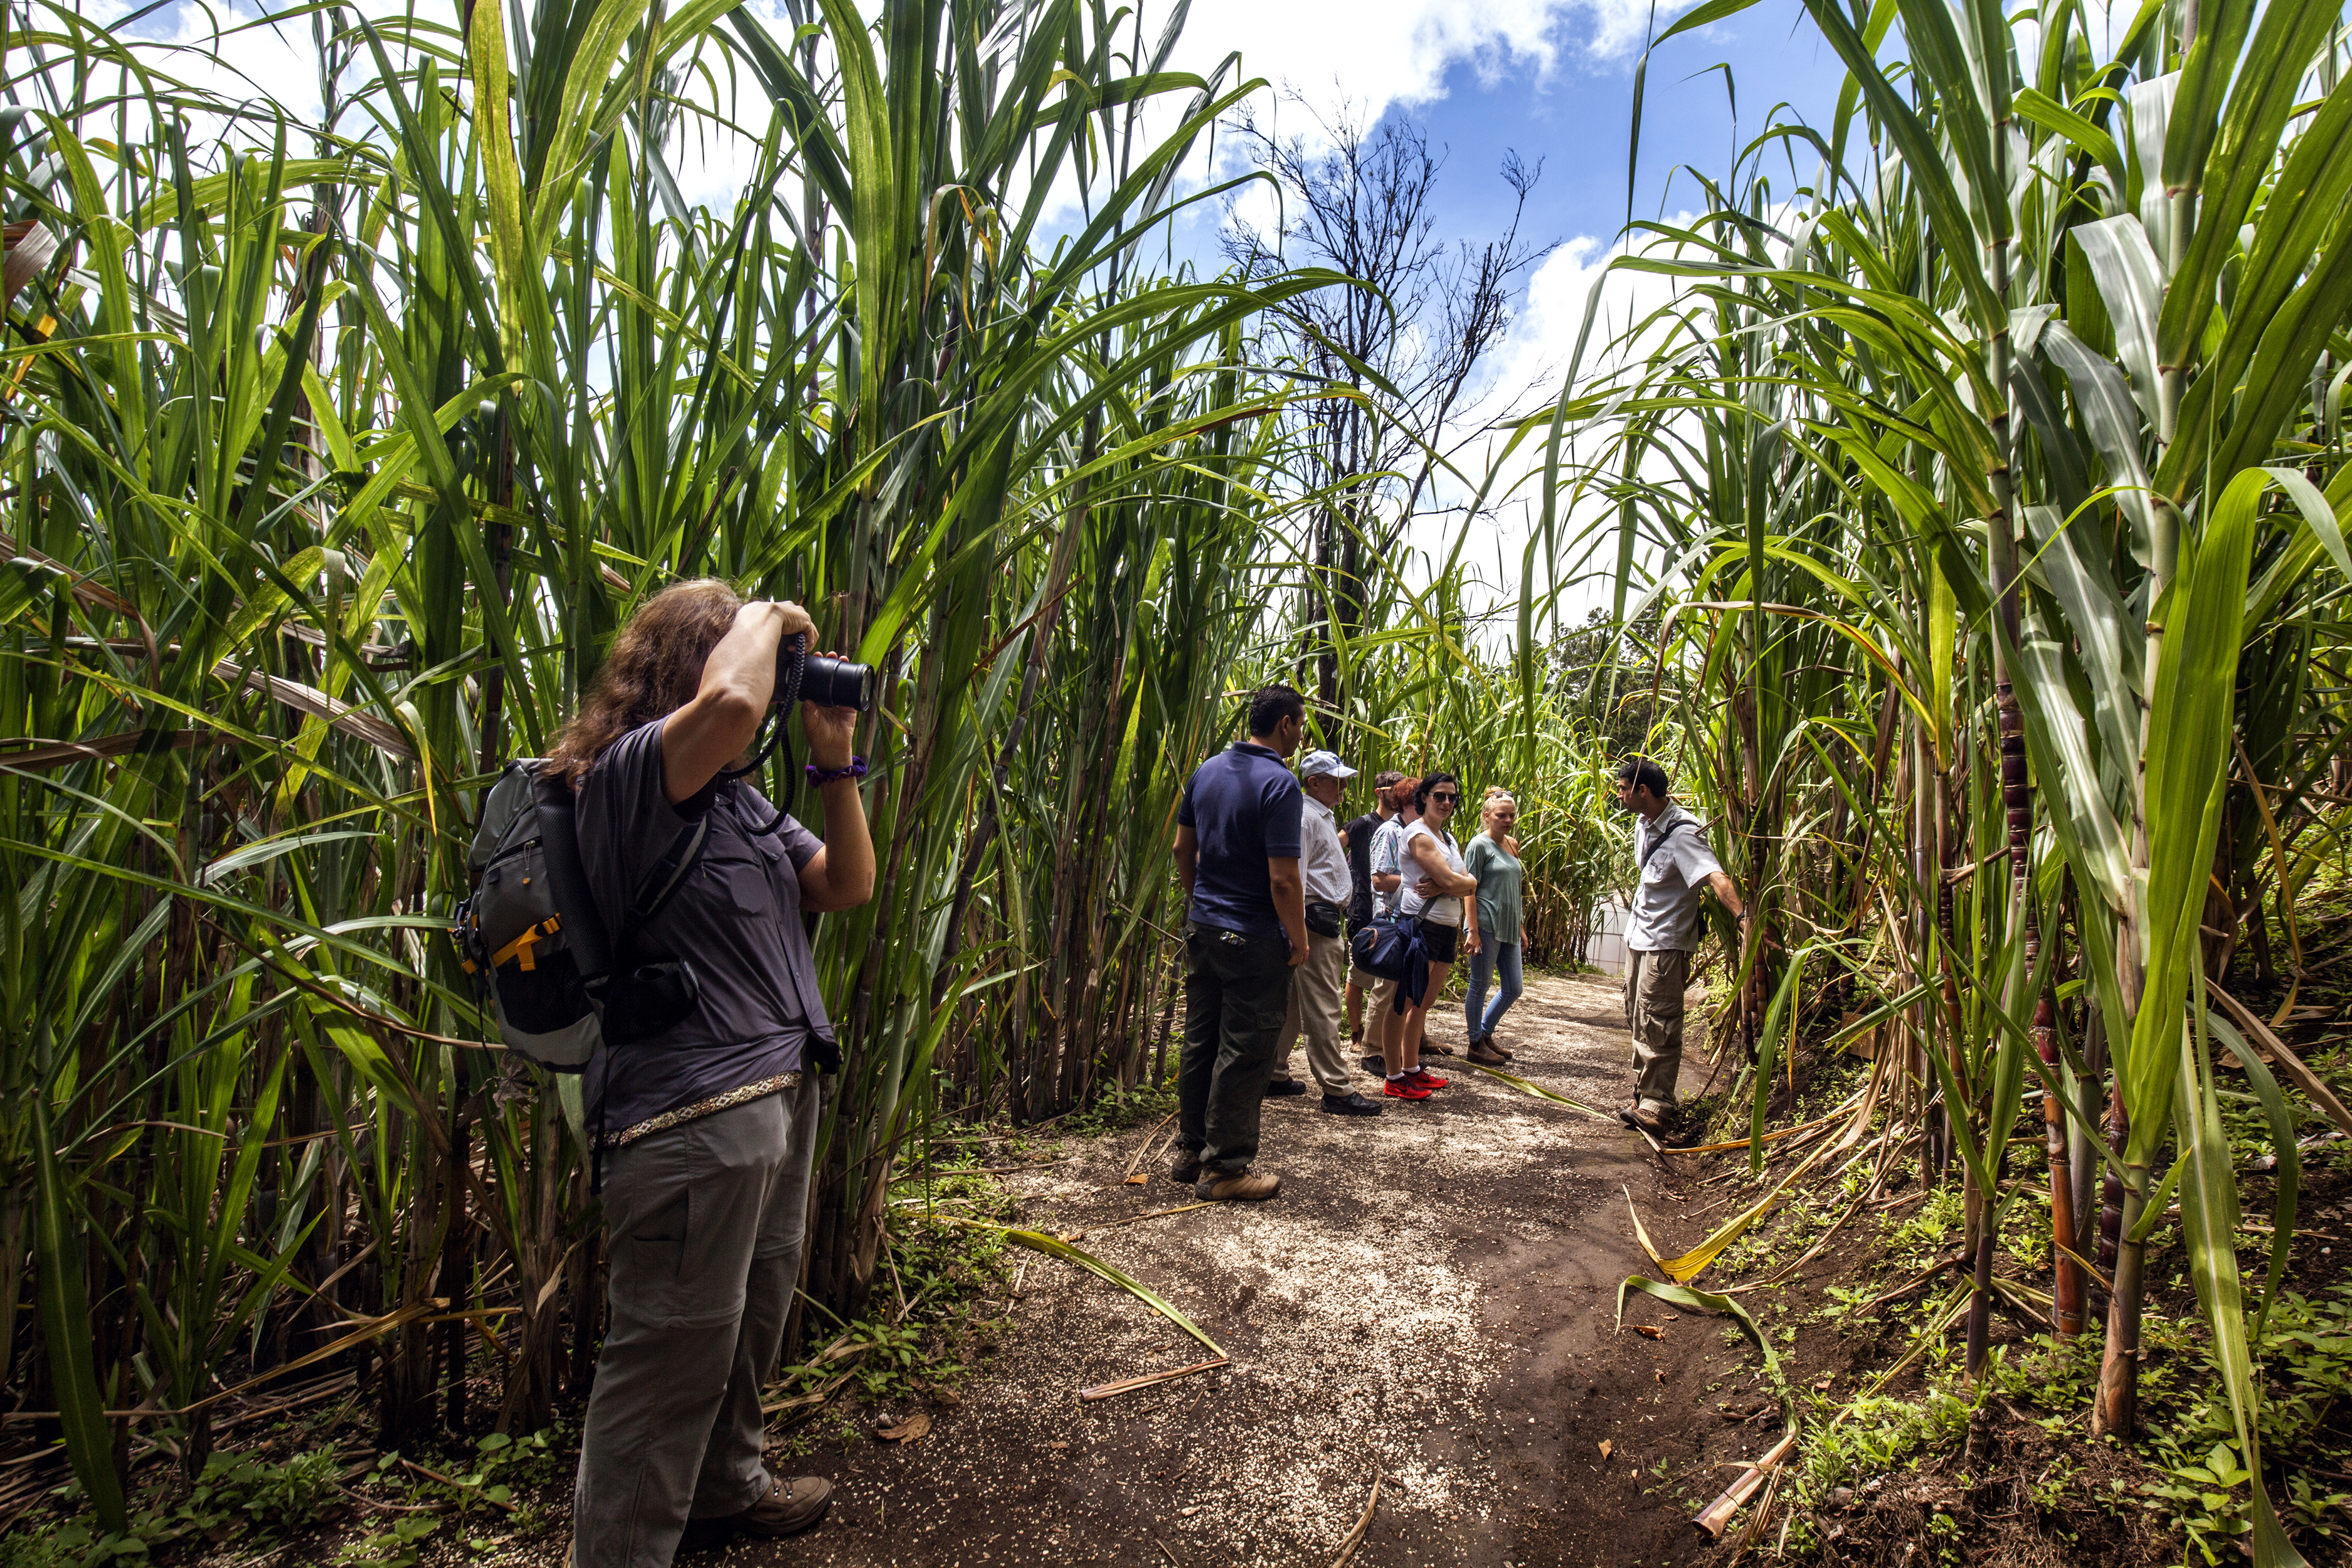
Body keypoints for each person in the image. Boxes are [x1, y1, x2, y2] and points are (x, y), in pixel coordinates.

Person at [553, 583, 876, 1567]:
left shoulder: (735, 803)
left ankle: (722, 1490)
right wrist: (770, 615)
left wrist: (833, 766)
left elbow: (847, 885)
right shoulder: (624, 781)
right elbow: (730, 708)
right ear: (696, 668)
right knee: (668, 1359)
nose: (771, 693)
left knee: (748, 1323)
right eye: (763, 668)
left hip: (776, 1098)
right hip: (688, 1119)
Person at [1171, 686, 1310, 1200]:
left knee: (1201, 1040)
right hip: (1253, 936)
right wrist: (1298, 939)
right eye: (1301, 724)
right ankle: (1225, 1168)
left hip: (1205, 928)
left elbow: (1182, 847)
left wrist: (1200, 902)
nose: (1301, 733)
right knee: (1246, 1048)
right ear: (1287, 725)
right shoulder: (1281, 783)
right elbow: (1283, 880)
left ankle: (1191, 1150)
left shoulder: (1206, 770)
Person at [1616, 758, 1748, 1142]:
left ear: (1643, 791)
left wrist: (1743, 918)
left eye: (1624, 788)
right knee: (1635, 1012)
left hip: (1666, 942)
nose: (1620, 795)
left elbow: (1713, 875)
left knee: (1659, 1019)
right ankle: (1644, 1093)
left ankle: (1658, 1105)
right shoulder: (1644, 824)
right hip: (1638, 935)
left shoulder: (1683, 833)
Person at [1269, 751, 1385, 1116]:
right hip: (1312, 923)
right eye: (1336, 779)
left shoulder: (1321, 816)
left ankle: (1273, 1072)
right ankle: (1337, 1088)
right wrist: (1298, 932)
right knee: (1324, 1006)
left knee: (1293, 1006)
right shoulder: (1305, 817)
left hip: (1316, 920)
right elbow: (1294, 876)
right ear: (1314, 782)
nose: (1344, 785)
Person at [1385, 771, 1478, 1096]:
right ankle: (1394, 1077)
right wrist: (1455, 883)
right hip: (1420, 926)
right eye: (1440, 796)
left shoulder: (1448, 839)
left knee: (1423, 1002)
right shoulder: (1418, 834)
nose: (1447, 802)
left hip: (1445, 927)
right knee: (1404, 1001)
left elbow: (1466, 883)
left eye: (1453, 797)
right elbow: (1459, 883)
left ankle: (1412, 1067)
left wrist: (1447, 884)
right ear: (1424, 797)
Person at [1357, 775, 1419, 1075]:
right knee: (1386, 987)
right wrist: (1421, 881)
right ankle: (1372, 1051)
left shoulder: (1418, 834)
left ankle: (1392, 1050)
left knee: (1402, 988)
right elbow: (1379, 879)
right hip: (1392, 922)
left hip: (1413, 921)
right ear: (1406, 803)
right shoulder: (1390, 832)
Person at [1463, 792, 1524, 1067]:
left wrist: (1521, 926)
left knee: (1514, 988)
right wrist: (1472, 931)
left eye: (1511, 815)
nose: (1508, 820)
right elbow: (1468, 889)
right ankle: (1475, 1044)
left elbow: (1515, 888)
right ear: (1487, 816)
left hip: (1509, 924)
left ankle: (1485, 1034)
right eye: (1502, 815)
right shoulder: (1479, 845)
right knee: (1480, 984)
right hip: (1486, 923)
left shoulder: (1512, 845)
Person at [1343, 770, 1406, 1043]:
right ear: (1381, 792)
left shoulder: (1408, 826)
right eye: (1396, 789)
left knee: (1393, 978)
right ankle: (1357, 1034)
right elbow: (1330, 848)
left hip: (1392, 914)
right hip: (1363, 910)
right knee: (1359, 975)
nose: (1401, 795)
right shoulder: (1361, 825)